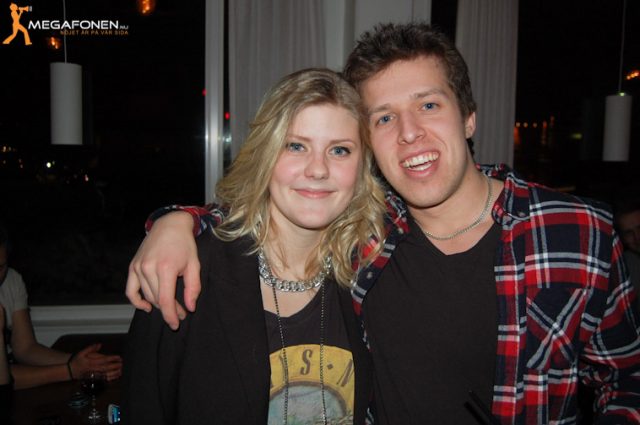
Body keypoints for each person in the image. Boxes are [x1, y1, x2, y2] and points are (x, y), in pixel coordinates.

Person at [126, 23, 640, 423]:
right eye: (385, 117)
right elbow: (277, 210)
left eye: (429, 105)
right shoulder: (368, 233)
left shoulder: (578, 232)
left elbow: (627, 380)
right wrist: (177, 222)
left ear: (469, 116)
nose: (409, 133)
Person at [122, 68, 386, 424]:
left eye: (339, 150)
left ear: (361, 168)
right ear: (266, 154)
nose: (318, 169)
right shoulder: (187, 271)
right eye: (296, 146)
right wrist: (173, 221)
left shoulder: (367, 272)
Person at [0, 224, 122, 390]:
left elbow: (25, 348)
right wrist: (69, 370)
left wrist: (83, 362)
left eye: (1, 267)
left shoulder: (11, 280)